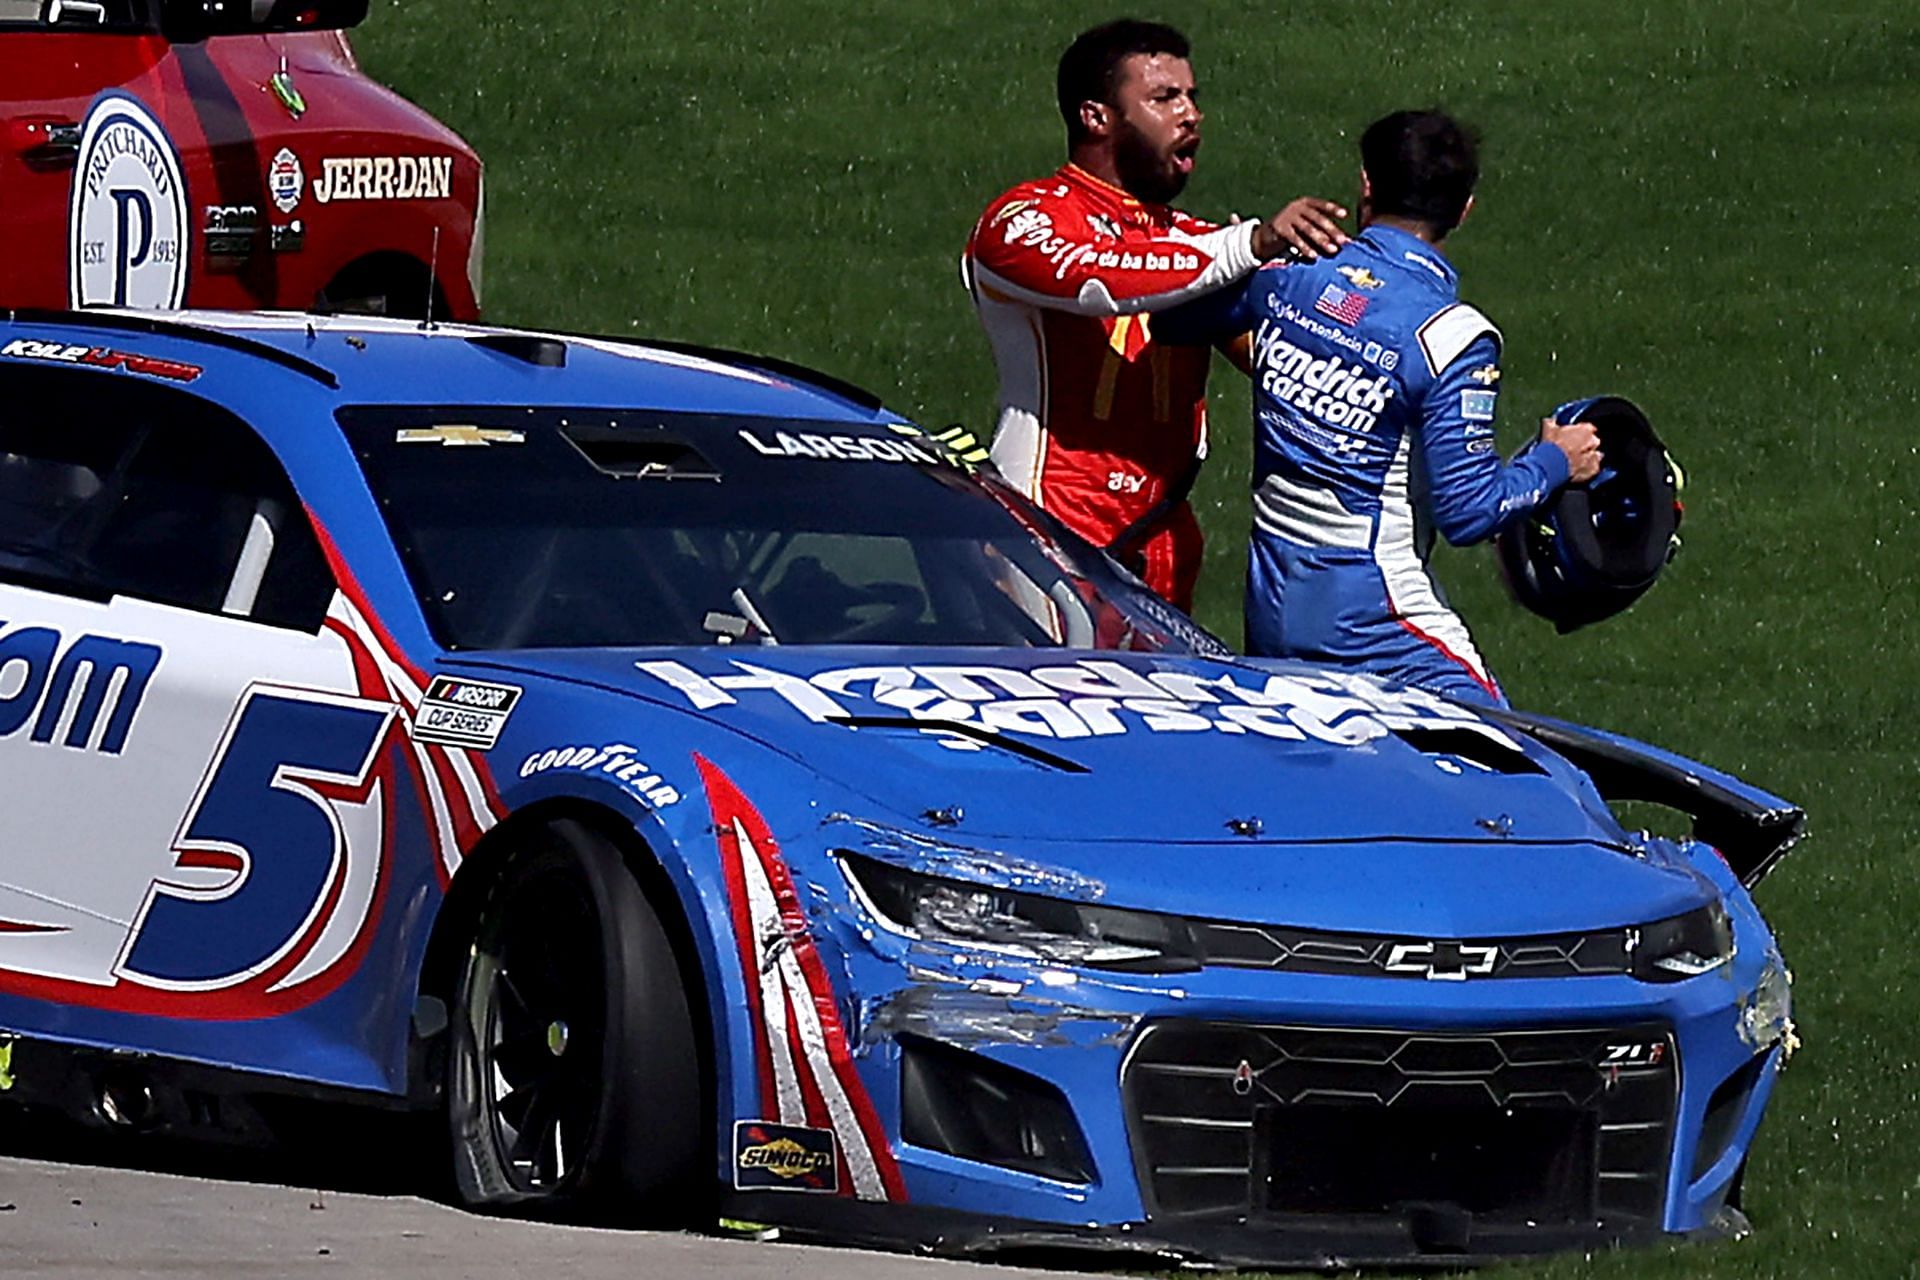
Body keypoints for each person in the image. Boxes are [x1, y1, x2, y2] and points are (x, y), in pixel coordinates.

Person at [1156, 109, 1601, 704]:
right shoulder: (1451, 336)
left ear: (1367, 185)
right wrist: (1554, 461)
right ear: (1464, 209)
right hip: (1378, 619)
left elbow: (1170, 314)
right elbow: (1468, 511)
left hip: (1273, 607)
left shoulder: (1287, 271)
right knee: (1514, 771)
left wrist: (1237, 253)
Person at [962, 19, 1348, 612]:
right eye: (1165, 98)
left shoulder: (1199, 245)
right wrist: (1251, 243)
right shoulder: (1023, 218)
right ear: (1097, 118)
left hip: (1164, 539)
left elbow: (1286, 361)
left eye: (1193, 97)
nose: (1191, 114)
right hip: (1047, 530)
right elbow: (1100, 279)